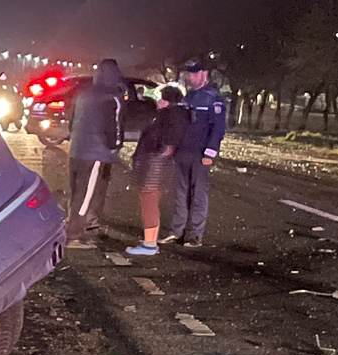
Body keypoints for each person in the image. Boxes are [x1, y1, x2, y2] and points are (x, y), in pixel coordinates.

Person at [166, 57, 227, 246]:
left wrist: (210, 153)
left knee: (198, 194)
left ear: (204, 74)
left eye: (194, 73)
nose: (190, 77)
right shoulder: (189, 97)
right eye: (189, 74)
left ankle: (194, 235)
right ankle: (177, 231)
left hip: (200, 153)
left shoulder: (213, 98)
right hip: (183, 151)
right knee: (181, 193)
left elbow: (218, 128)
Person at [126, 86, 192, 258]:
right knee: (149, 202)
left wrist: (158, 154)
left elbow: (168, 144)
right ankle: (150, 240)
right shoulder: (174, 115)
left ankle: (150, 244)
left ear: (166, 100)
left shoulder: (169, 116)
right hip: (154, 164)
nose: (158, 101)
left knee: (149, 202)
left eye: (161, 98)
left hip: (154, 166)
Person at [66, 59, 124, 244]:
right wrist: (115, 146)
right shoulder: (112, 97)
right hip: (97, 154)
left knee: (76, 190)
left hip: (77, 149)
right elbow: (114, 126)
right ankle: (76, 230)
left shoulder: (83, 94)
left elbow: (71, 120)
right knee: (88, 193)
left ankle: (76, 222)